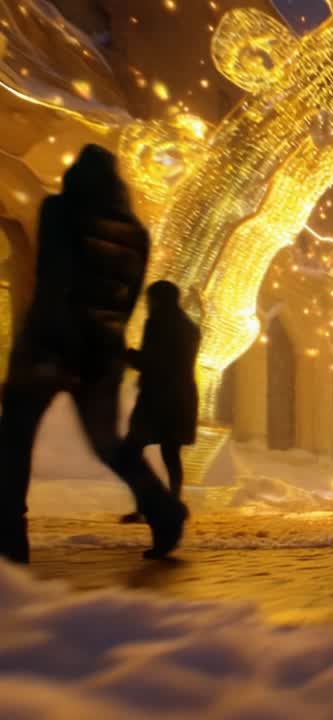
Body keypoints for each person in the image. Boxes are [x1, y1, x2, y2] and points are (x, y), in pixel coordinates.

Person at [0, 145, 187, 563]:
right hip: (102, 354)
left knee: (13, 441)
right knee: (107, 444)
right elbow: (130, 299)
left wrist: (46, 349)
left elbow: (53, 280)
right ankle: (162, 509)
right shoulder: (136, 232)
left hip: (48, 346)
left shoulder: (60, 211)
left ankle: (8, 540)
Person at [119, 281, 201, 525]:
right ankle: (172, 503)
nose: (147, 304)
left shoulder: (158, 323)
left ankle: (147, 504)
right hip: (181, 397)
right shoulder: (189, 326)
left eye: (150, 299)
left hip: (158, 398)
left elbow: (154, 361)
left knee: (131, 451)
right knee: (171, 453)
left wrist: (126, 355)